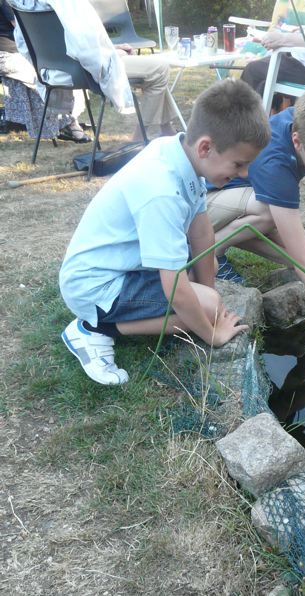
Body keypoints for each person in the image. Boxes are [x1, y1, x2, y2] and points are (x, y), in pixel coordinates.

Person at [59, 79, 271, 386]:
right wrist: (210, 332)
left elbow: (201, 233)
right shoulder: (162, 191)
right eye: (239, 164)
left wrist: (208, 290)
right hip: (95, 285)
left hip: (124, 269)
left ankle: (139, 317)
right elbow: (174, 287)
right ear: (206, 147)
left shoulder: (179, 152)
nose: (243, 174)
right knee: (204, 307)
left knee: (206, 294)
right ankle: (95, 329)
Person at [207, 83, 305, 363]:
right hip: (207, 202)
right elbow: (302, 263)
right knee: (268, 212)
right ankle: (211, 250)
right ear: (297, 142)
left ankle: (222, 243)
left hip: (240, 202)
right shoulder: (276, 161)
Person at [10, 0, 176, 139]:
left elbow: (26, 44)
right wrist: (114, 55)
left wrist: (112, 48)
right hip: (83, 71)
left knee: (152, 72)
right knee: (159, 68)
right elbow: (87, 52)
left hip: (53, 71)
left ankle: (167, 131)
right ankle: (139, 140)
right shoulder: (69, 3)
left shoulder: (23, 2)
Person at [0, 0, 88, 140]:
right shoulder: (11, 2)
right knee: (50, 75)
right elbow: (25, 30)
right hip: (8, 55)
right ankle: (67, 123)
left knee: (66, 70)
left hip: (26, 52)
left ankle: (65, 120)